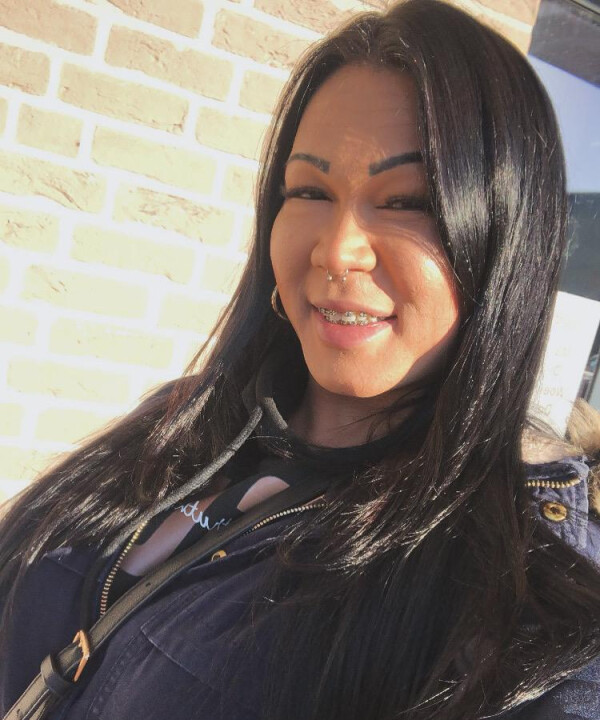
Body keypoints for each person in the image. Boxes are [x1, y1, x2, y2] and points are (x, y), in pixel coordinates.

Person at [1, 0, 599, 718]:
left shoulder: (524, 597)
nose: (337, 250)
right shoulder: (188, 419)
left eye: (408, 201)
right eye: (310, 191)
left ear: (506, 243)